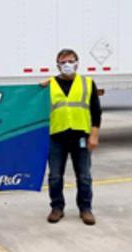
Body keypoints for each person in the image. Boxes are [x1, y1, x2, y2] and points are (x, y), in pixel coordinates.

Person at [44, 49, 102, 225]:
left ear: (77, 62)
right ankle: (57, 208)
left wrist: (94, 135)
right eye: (63, 62)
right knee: (55, 176)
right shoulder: (49, 85)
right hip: (57, 136)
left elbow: (96, 111)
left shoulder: (88, 83)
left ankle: (85, 209)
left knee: (84, 176)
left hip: (80, 137)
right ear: (57, 65)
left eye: (70, 61)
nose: (67, 65)